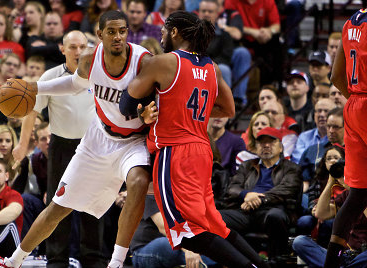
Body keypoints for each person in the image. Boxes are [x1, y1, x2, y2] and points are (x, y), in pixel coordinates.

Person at [0, 11, 153, 268]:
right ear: (100, 35)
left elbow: (159, 97)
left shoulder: (143, 60)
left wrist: (149, 113)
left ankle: (115, 263)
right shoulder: (91, 58)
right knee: (58, 207)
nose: (117, 37)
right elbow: (74, 85)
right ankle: (15, 260)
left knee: (137, 182)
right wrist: (36, 87)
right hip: (97, 139)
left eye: (122, 31)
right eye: (111, 32)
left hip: (132, 142)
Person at [121, 10, 268, 268]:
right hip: (202, 150)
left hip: (175, 152)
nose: (161, 34)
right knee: (216, 226)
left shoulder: (164, 62)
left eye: (165, 29)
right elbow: (228, 109)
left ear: (175, 32)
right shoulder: (212, 67)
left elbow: (126, 104)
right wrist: (183, 108)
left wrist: (153, 108)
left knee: (186, 232)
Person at [13, 30, 103, 268]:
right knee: (57, 205)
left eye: (83, 46)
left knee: (94, 205)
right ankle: (57, 258)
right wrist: (23, 145)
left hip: (94, 146)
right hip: (62, 147)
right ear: (62, 49)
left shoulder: (99, 75)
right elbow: (31, 112)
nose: (78, 51)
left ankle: (93, 258)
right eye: (72, 47)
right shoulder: (51, 76)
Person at [324, 9, 367, 267]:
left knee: (358, 196)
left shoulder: (351, 21)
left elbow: (335, 77)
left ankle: (331, 263)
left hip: (353, 106)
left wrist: (356, 102)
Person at [219, 127, 302, 261]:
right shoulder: (246, 166)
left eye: (271, 142)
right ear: (256, 147)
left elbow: (286, 190)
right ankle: (228, 259)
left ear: (281, 148)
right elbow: (232, 188)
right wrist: (246, 195)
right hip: (245, 211)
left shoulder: (292, 168)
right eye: (262, 142)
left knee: (275, 216)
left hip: (273, 210)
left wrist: (258, 200)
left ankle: (276, 260)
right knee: (216, 217)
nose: (266, 145)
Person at [291, 98, 335, 164]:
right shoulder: (304, 137)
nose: (322, 115)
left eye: (326, 111)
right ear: (314, 115)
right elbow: (298, 161)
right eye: (319, 111)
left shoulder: (337, 137)